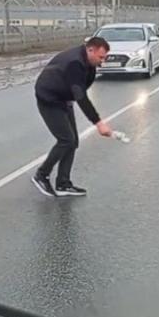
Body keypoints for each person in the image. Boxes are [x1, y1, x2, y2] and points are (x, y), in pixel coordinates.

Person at [31, 37, 113, 197]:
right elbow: (81, 96)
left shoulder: (88, 62)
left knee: (73, 141)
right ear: (90, 50)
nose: (103, 61)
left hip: (64, 99)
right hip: (49, 99)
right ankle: (41, 175)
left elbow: (80, 89)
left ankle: (63, 183)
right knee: (66, 140)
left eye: (105, 57)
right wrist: (98, 123)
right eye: (101, 57)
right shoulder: (75, 63)